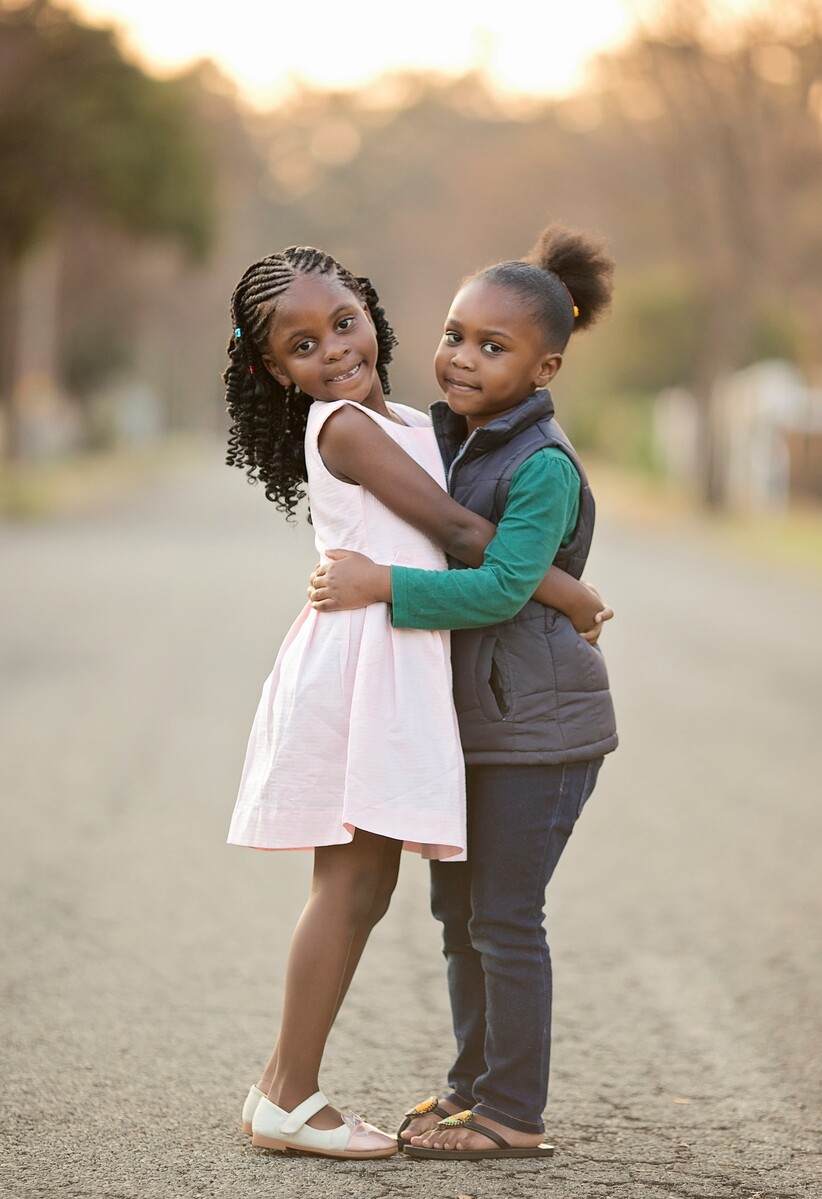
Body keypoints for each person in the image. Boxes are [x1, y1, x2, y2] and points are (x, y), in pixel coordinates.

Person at [223, 244, 608, 1161]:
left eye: (343, 323)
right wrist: (571, 593)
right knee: (353, 883)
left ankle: (285, 1086)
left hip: (396, 662)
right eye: (303, 346)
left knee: (373, 884)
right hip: (364, 662)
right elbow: (461, 531)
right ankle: (289, 1092)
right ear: (275, 370)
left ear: (371, 308)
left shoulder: (405, 419)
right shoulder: (346, 427)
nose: (334, 351)